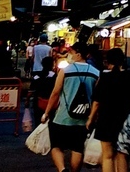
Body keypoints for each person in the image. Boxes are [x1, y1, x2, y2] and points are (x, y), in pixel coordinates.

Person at [42, 42, 100, 172]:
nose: (69, 55)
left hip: (62, 117)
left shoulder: (65, 71)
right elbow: (97, 98)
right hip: (83, 119)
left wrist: (46, 113)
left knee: (56, 146)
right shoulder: (96, 73)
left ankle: (62, 169)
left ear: (78, 54)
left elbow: (55, 93)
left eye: (71, 53)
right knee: (77, 148)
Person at [88, 48, 130, 172]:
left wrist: (90, 119)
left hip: (106, 120)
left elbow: (96, 103)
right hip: (126, 120)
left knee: (107, 156)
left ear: (107, 62)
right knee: (123, 155)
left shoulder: (104, 78)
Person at [32, 55, 58, 124]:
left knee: (38, 122)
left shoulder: (36, 76)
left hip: (38, 101)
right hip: (51, 103)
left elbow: (31, 89)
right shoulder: (55, 76)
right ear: (52, 64)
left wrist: (27, 101)